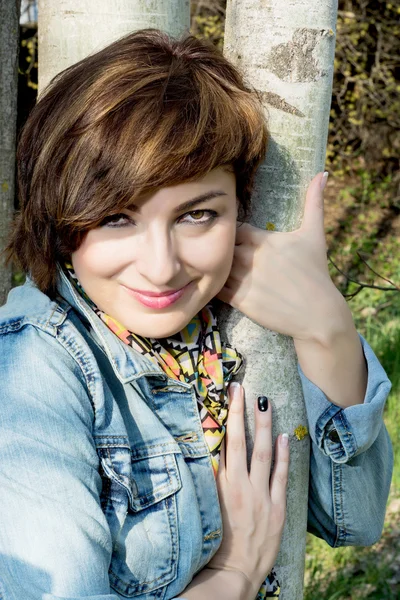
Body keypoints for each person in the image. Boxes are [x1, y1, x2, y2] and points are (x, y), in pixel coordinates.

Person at [0, 29, 392, 600]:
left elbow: (352, 518)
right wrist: (232, 578)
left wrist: (325, 327)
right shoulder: (31, 371)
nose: (162, 269)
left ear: (240, 208)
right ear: (61, 220)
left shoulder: (220, 331)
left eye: (197, 215)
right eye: (116, 218)